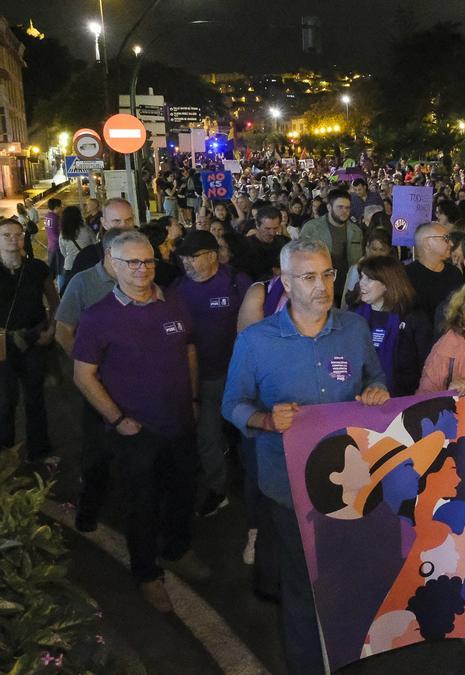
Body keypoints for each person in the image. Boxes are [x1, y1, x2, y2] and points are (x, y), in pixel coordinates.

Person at [223, 238, 389, 673]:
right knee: (302, 587)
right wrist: (264, 421)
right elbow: (232, 403)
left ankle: (349, 653)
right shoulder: (257, 340)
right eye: (309, 277)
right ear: (286, 282)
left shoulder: (353, 329)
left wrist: (377, 392)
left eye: (328, 274)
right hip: (288, 485)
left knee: (347, 578)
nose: (322, 286)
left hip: (350, 482)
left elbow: (376, 378)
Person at [72, 230, 209, 614]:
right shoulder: (98, 317)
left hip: (180, 423)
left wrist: (194, 399)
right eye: (131, 262)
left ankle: (178, 550)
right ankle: (147, 574)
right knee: (142, 505)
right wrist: (118, 420)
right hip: (136, 432)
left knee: (183, 492)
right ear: (113, 265)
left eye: (147, 261)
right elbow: (83, 375)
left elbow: (189, 350)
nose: (141, 269)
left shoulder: (174, 303)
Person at [171, 231, 253, 517]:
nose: (187, 263)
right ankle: (218, 489)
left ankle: (254, 485)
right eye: (183, 257)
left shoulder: (236, 282)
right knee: (207, 437)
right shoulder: (178, 288)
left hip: (239, 377)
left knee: (248, 432)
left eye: (193, 257)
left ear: (212, 256)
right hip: (201, 379)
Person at [55, 227, 128, 532]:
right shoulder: (83, 283)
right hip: (97, 386)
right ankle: (89, 512)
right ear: (110, 254)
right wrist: (90, 369)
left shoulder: (137, 282)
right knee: (97, 450)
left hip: (132, 384)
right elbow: (63, 332)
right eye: (130, 258)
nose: (139, 266)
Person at [0, 218, 58, 463]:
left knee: (36, 396)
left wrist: (52, 328)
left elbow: (54, 300)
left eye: (18, 234)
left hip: (34, 338)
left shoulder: (36, 268)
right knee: (4, 399)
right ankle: (5, 456)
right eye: (6, 235)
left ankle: (39, 452)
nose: (14, 239)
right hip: (2, 343)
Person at [350, 255, 433, 397]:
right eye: (361, 277)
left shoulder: (413, 319)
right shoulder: (352, 317)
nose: (361, 284)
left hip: (403, 398)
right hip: (361, 398)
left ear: (387, 283)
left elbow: (428, 365)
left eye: (369, 279)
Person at [299, 187, 363, 305]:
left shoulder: (356, 231)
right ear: (329, 207)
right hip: (319, 288)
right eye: (340, 207)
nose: (344, 211)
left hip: (347, 289)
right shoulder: (311, 229)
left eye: (347, 208)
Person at [65, 198, 136, 288]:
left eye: (128, 220)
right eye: (117, 221)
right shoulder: (87, 257)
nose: (123, 226)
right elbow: (70, 293)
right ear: (104, 222)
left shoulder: (147, 251)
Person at [406, 221, 465, 322]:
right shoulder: (407, 275)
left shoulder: (454, 273)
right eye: (445, 238)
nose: (451, 243)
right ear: (427, 243)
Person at [240, 205, 290, 282]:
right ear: (257, 225)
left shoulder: (285, 243)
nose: (272, 233)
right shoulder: (244, 246)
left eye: (275, 228)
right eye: (267, 228)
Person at [59, 205, 99, 282]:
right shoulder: (86, 229)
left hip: (70, 266)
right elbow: (95, 244)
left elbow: (63, 251)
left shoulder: (63, 233)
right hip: (86, 265)